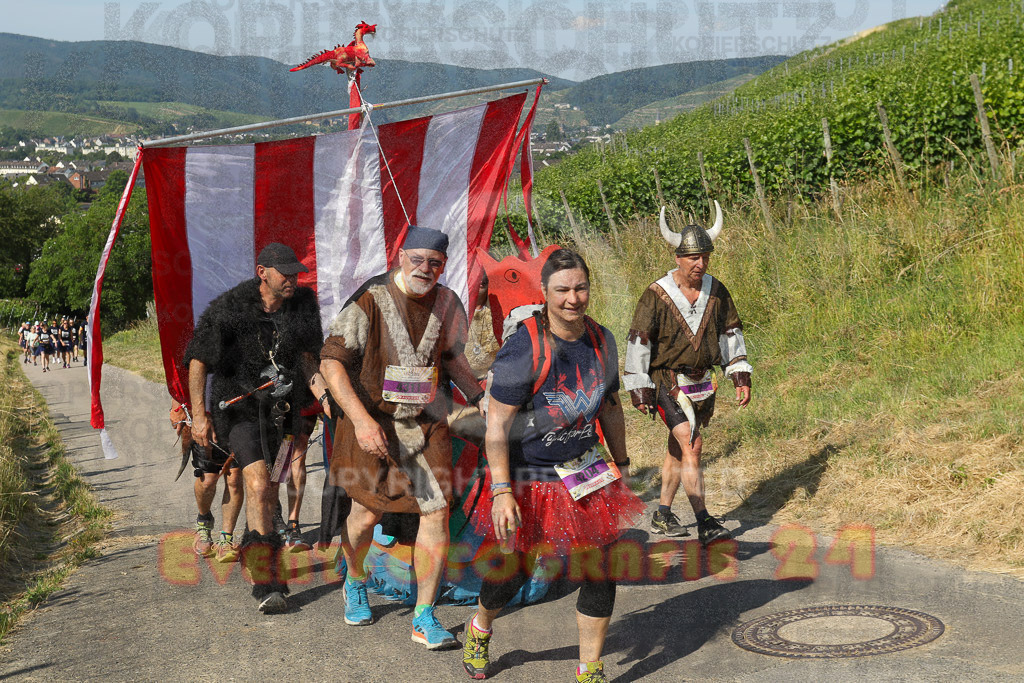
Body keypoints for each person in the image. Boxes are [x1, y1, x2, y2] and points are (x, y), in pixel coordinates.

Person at [462, 248, 643, 683]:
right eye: (562, 289)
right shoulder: (524, 345)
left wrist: (621, 461)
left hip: (587, 473)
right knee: (513, 572)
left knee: (601, 571)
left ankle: (589, 669)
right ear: (544, 292)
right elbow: (497, 426)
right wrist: (502, 493)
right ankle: (480, 625)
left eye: (580, 288)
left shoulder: (602, 340)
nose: (573, 298)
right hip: (530, 479)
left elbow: (611, 406)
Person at [320, 225, 483, 650]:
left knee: (436, 512)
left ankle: (423, 616)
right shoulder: (369, 300)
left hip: (427, 428)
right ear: (399, 254)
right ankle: (354, 579)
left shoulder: (447, 302)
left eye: (435, 263)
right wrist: (359, 421)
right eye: (418, 259)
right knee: (366, 517)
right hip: (372, 425)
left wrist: (480, 397)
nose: (425, 269)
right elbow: (332, 364)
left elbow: (453, 358)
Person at [186, 242, 329, 613]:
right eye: (286, 273)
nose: (293, 280)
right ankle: (266, 581)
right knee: (258, 483)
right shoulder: (231, 308)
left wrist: (328, 401)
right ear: (263, 272)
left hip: (284, 413)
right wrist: (199, 417)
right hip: (239, 410)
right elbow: (199, 360)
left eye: (296, 273)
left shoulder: (302, 306)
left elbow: (309, 362)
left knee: (271, 489)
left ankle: (263, 551)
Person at [624, 204, 752, 545]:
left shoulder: (717, 290)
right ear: (678, 257)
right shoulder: (656, 294)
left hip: (702, 383)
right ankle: (705, 521)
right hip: (667, 381)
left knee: (678, 449)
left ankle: (662, 514)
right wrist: (639, 386)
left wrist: (738, 372)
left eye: (705, 257)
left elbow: (730, 332)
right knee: (691, 444)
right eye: (693, 257)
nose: (700, 264)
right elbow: (639, 340)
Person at [170, 400, 244, 561]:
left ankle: (226, 539)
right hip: (204, 415)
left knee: (235, 478)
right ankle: (203, 520)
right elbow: (178, 376)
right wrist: (177, 406)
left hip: (238, 412)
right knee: (208, 480)